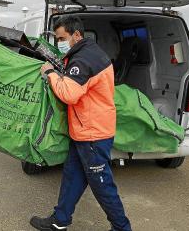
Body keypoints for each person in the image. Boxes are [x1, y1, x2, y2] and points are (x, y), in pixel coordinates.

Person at [30, 15, 131, 231]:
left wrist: (49, 74)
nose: (60, 43)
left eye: (62, 38)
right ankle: (60, 220)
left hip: (93, 134)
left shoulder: (84, 59)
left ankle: (122, 228)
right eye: (57, 39)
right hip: (84, 131)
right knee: (72, 177)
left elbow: (69, 93)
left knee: (102, 185)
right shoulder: (86, 53)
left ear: (76, 35)